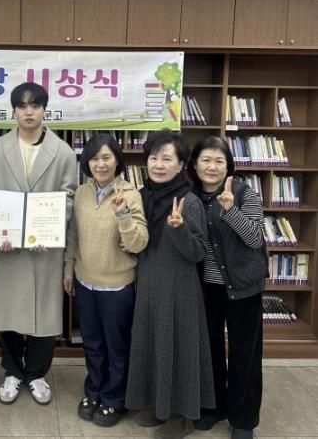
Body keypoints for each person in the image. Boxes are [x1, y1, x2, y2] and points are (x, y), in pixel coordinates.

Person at [0, 82, 77, 406]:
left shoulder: (63, 152)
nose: (29, 112)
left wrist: (46, 230)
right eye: (22, 106)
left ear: (45, 109)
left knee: (44, 312)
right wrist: (0, 231)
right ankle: (12, 371)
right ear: (14, 111)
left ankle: (36, 374)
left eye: (35, 105)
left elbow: (68, 197)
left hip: (44, 249)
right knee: (8, 311)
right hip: (8, 248)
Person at [125, 129, 215, 438]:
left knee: (178, 347)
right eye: (153, 158)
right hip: (148, 284)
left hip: (179, 288)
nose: (159, 165)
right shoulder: (142, 196)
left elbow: (198, 252)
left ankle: (180, 414)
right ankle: (155, 402)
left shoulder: (189, 202)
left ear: (181, 165)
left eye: (167, 159)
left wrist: (178, 229)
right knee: (151, 342)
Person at [63, 133, 148, 427]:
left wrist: (122, 213)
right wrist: (68, 269)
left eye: (106, 158)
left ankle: (115, 398)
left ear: (117, 161)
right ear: (87, 162)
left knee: (116, 347)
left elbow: (138, 243)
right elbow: (74, 234)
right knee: (92, 344)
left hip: (117, 286)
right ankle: (94, 390)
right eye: (94, 158)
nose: (100, 164)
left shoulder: (131, 195)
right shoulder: (82, 193)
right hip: (84, 282)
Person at [187, 136, 266, 439]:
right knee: (210, 351)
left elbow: (255, 238)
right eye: (206, 160)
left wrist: (231, 210)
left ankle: (243, 419)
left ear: (228, 166)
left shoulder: (244, 193)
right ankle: (213, 407)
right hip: (207, 288)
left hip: (243, 287)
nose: (212, 167)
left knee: (245, 355)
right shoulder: (190, 196)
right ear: (195, 165)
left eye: (219, 161)